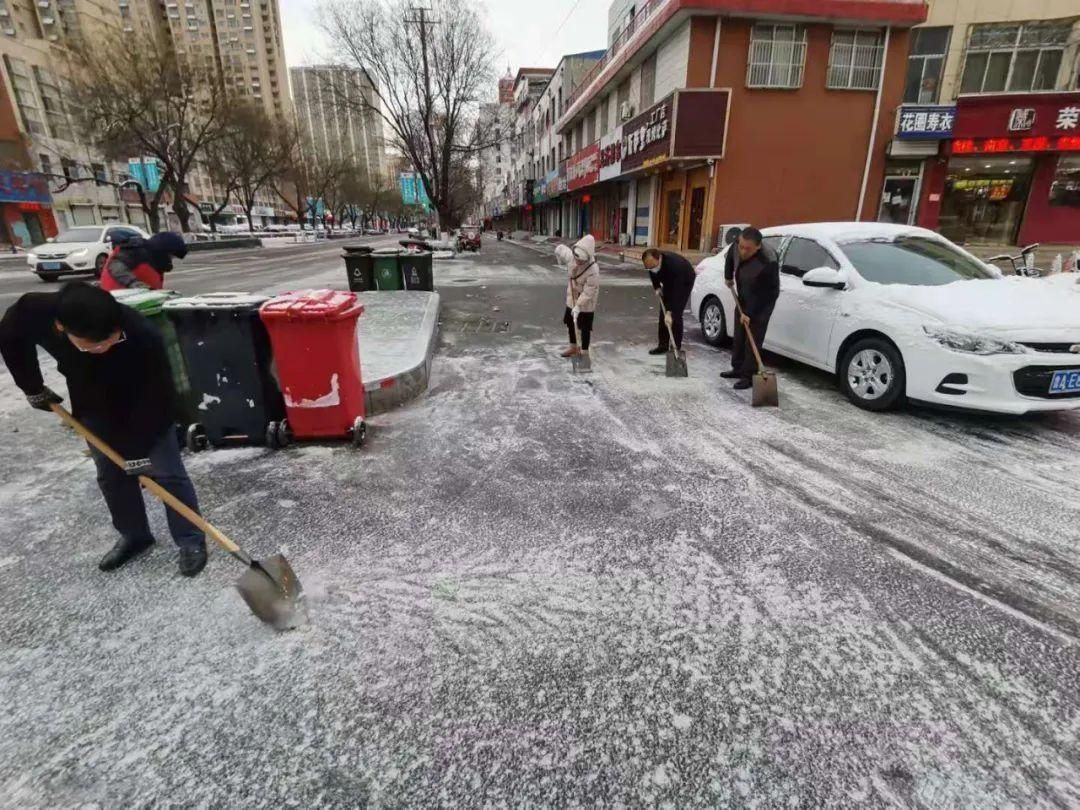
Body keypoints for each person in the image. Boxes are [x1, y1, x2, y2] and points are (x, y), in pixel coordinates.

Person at [0, 282, 208, 576]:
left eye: (109, 341)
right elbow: (9, 337)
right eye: (92, 344)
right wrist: (31, 386)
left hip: (143, 403)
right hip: (92, 403)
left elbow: (159, 398)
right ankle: (134, 536)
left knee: (167, 474)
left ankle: (190, 540)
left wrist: (138, 451)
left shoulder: (142, 335)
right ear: (61, 327)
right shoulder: (33, 310)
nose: (102, 348)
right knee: (111, 475)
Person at [723, 227, 780, 390]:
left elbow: (765, 293)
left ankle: (748, 376)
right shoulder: (738, 243)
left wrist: (749, 313)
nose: (742, 251)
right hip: (743, 295)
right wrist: (728, 276)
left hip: (762, 302)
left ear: (758, 246)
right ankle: (737, 368)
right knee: (739, 334)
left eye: (747, 249)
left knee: (752, 338)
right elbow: (729, 258)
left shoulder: (768, 262)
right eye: (741, 246)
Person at [642, 247, 696, 356]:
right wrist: (656, 287)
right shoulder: (652, 264)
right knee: (663, 313)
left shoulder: (674, 266)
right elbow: (651, 271)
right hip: (668, 281)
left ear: (659, 259)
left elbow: (676, 293)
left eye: (652, 265)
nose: (650, 268)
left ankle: (676, 347)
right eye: (647, 266)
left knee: (675, 314)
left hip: (684, 281)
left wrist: (670, 312)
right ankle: (663, 345)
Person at [99, 231, 188, 291]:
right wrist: (137, 286)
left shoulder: (155, 261)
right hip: (120, 304)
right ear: (163, 250)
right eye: (170, 255)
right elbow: (116, 266)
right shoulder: (137, 251)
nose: (170, 259)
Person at [558, 235, 600, 359]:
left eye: (581, 261)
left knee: (584, 327)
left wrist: (578, 306)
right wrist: (558, 255)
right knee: (571, 323)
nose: (578, 262)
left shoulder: (593, 270)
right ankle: (573, 347)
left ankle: (584, 351)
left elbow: (589, 291)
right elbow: (560, 250)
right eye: (577, 259)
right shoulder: (573, 256)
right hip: (572, 296)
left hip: (586, 302)